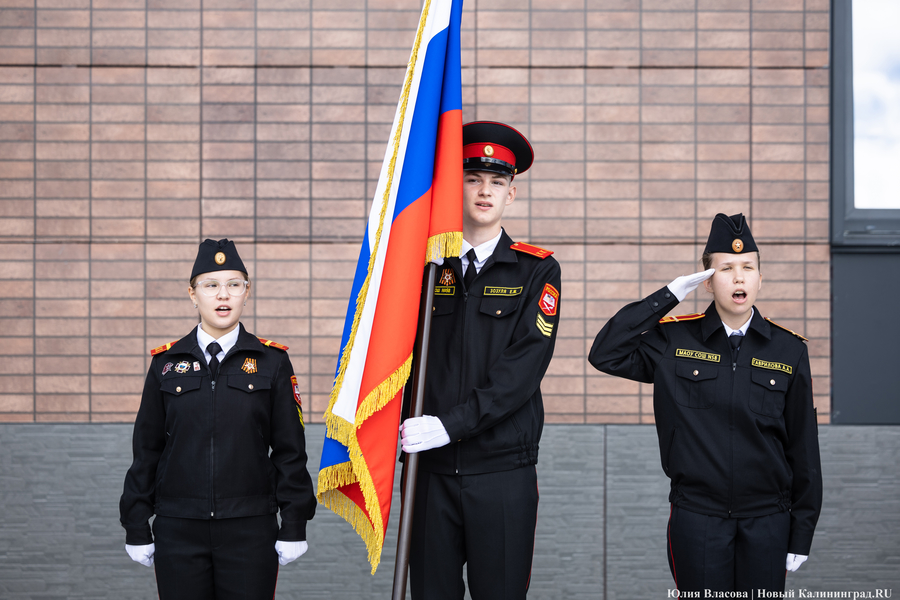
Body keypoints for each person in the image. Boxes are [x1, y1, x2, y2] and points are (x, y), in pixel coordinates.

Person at [588, 214, 822, 598]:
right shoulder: (674, 340)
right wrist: (668, 296)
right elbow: (605, 352)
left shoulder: (789, 349)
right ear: (708, 282)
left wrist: (802, 530)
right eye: (726, 268)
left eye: (749, 267)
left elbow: (804, 447)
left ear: (761, 279)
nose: (739, 277)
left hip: (767, 520)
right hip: (697, 517)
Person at [399, 121, 562, 600]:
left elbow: (521, 372)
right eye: (472, 179)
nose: (484, 191)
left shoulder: (537, 269)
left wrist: (449, 424)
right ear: (456, 187)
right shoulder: (424, 267)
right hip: (429, 472)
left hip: (501, 473)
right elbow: (398, 356)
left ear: (511, 194)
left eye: (497, 182)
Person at [119, 238, 316, 600]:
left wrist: (294, 521)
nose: (222, 295)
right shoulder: (165, 364)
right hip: (179, 529)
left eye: (233, 285)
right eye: (211, 285)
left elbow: (290, 449)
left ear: (247, 292)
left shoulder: (272, 362)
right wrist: (135, 521)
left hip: (250, 529)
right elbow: (147, 449)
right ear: (193, 294)